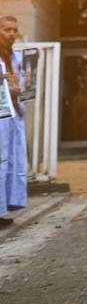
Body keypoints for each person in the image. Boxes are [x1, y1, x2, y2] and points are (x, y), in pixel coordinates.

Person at [0, 15, 27, 222]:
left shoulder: (16, 59)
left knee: (11, 162)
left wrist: (18, 91)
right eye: (7, 30)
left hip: (12, 118)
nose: (11, 34)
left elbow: (24, 91)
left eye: (14, 30)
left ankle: (5, 207)